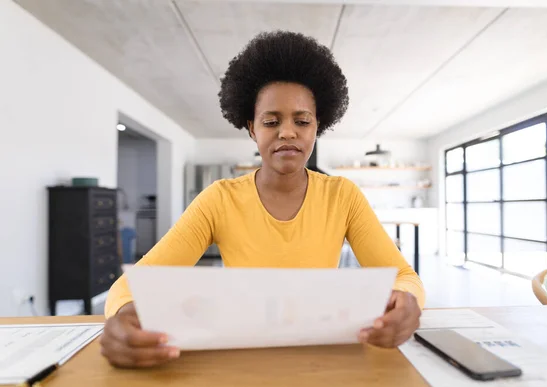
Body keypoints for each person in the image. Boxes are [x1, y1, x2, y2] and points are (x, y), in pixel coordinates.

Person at [100, 31, 425, 368]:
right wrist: (123, 315)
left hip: (322, 357)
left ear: (317, 127)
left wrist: (407, 301)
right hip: (243, 357)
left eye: (302, 121)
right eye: (272, 121)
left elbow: (403, 276)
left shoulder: (342, 196)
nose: (287, 132)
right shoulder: (219, 200)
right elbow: (133, 284)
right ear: (253, 129)